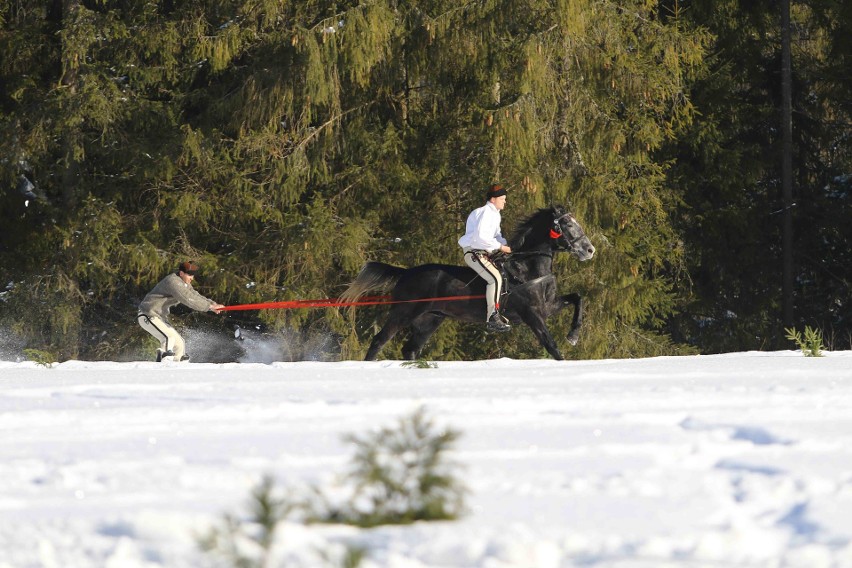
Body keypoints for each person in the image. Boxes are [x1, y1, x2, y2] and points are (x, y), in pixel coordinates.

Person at [137, 261, 225, 362]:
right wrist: (209, 307)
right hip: (148, 315)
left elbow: (195, 295)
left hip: (159, 318)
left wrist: (213, 304)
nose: (192, 278)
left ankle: (178, 364)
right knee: (168, 338)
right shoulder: (173, 282)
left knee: (179, 344)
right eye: (190, 275)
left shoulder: (184, 283)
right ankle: (164, 359)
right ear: (182, 273)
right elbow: (188, 299)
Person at [458, 184, 513, 332]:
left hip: (483, 252)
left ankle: (497, 311)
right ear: (494, 199)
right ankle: (492, 317)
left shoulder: (495, 214)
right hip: (475, 252)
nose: (505, 202)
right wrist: (501, 247)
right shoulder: (486, 213)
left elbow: (496, 236)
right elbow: (480, 238)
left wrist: (507, 246)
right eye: (502, 199)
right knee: (495, 278)